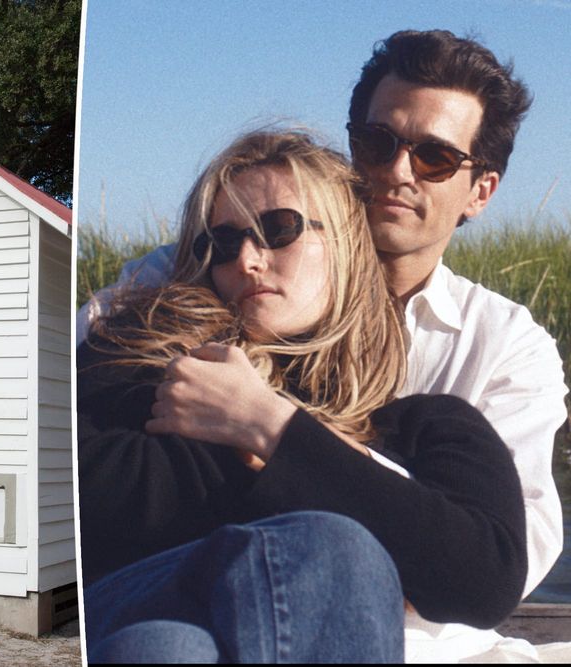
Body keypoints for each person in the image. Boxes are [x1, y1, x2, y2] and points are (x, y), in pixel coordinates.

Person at [77, 30, 568, 660]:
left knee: (169, 646)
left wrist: (269, 429)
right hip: (174, 587)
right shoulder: (168, 298)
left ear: (480, 190)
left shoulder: (496, 353)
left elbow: (498, 567)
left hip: (409, 637)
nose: (396, 172)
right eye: (378, 142)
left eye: (435, 158)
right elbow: (78, 476)